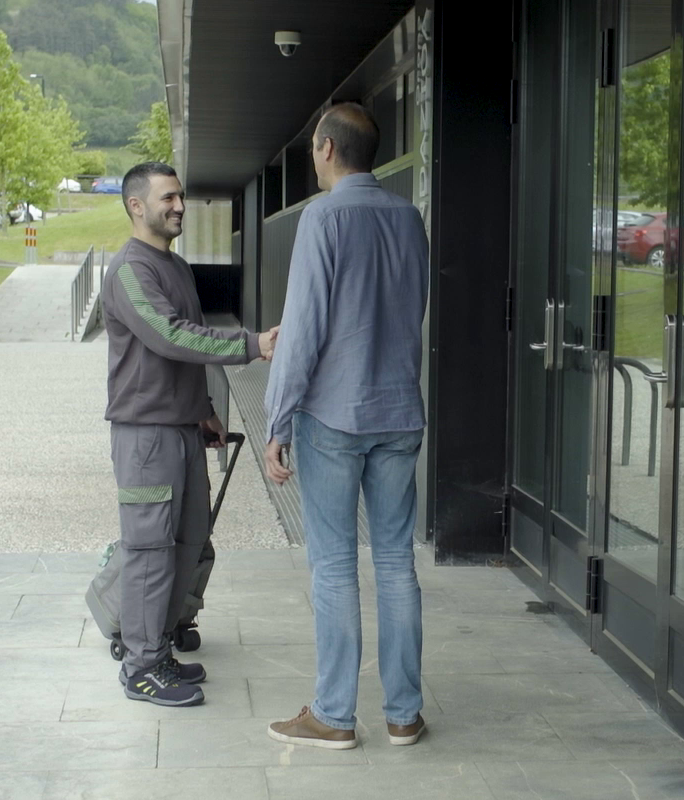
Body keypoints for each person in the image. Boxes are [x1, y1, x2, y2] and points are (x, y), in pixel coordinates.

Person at [261, 102, 432, 750]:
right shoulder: (408, 218)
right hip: (399, 410)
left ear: (327, 149)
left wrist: (278, 418)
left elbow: (301, 329)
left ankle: (333, 715)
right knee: (395, 562)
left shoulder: (323, 217)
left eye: (312, 147)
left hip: (335, 414)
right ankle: (404, 713)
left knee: (333, 565)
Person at [101, 161, 277, 707]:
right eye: (168, 198)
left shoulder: (172, 266)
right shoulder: (131, 269)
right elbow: (171, 337)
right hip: (145, 437)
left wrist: (203, 408)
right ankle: (141, 667)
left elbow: (184, 355)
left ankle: (159, 652)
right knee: (150, 548)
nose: (179, 206)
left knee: (187, 542)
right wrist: (253, 344)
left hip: (180, 428)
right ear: (137, 206)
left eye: (181, 197)